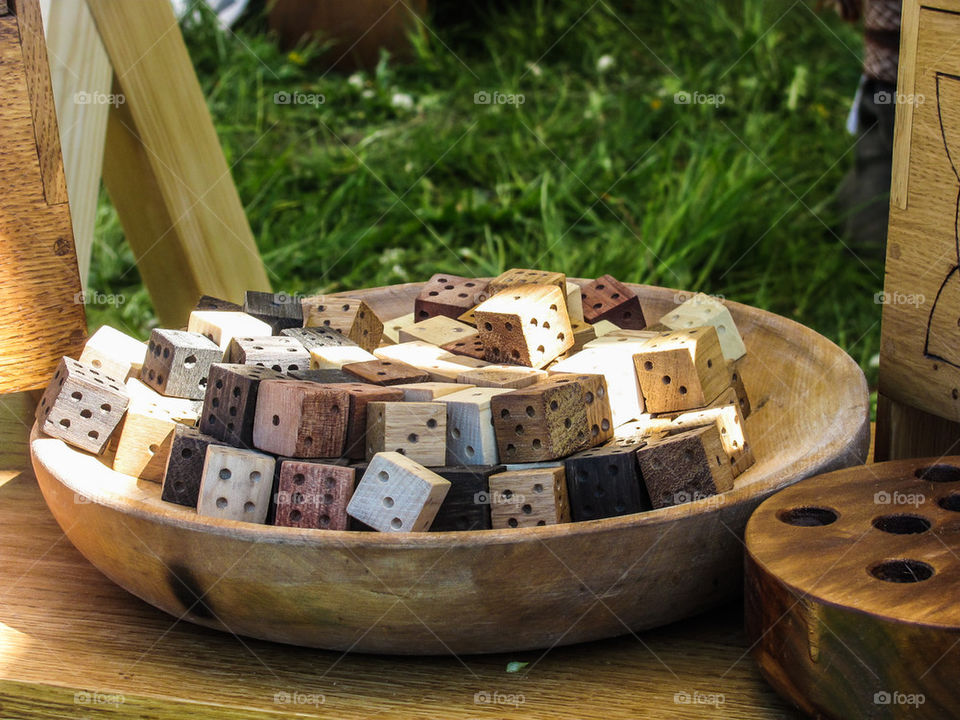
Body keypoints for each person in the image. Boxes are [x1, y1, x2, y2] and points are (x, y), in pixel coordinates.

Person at [834, 0, 902, 257]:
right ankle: (868, 246)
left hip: (882, 82)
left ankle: (857, 231)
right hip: (897, 85)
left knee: (875, 163)